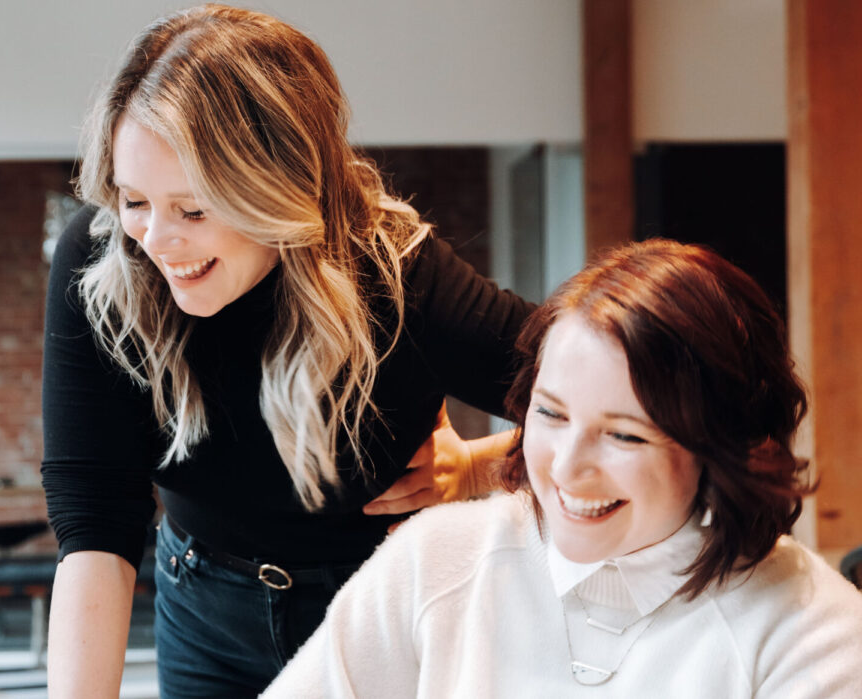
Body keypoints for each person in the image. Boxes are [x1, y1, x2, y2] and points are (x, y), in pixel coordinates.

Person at [40, 4, 532, 697]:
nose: (155, 241)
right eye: (134, 199)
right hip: (200, 603)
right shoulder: (103, 261)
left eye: (194, 208)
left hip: (371, 607)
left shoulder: (396, 279)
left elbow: (613, 400)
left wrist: (480, 467)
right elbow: (96, 513)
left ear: (280, 188)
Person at [263, 239, 862, 698]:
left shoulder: (813, 631)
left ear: (725, 443)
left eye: (624, 435)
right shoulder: (435, 561)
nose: (569, 470)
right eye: (549, 414)